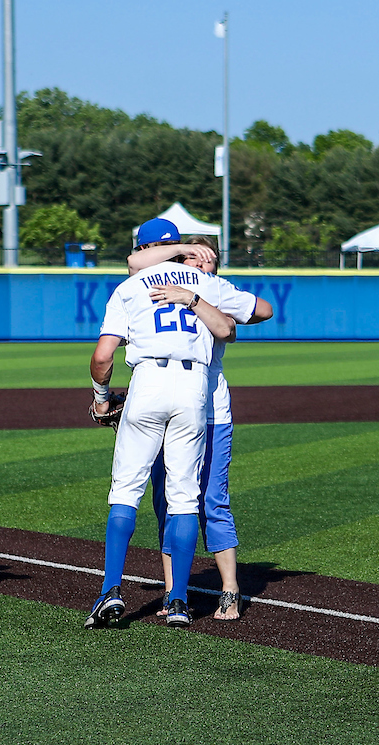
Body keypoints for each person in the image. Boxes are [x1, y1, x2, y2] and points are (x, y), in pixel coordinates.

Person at [85, 218, 259, 629]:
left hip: (148, 382)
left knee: (126, 489)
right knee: (184, 496)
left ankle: (111, 589)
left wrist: (100, 399)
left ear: (141, 248)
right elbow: (245, 318)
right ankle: (179, 601)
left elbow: (103, 356)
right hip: (194, 390)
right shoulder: (204, 281)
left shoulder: (128, 287)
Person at [128, 235, 273, 621]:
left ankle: (229, 589)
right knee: (167, 504)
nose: (196, 266)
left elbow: (262, 311)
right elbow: (134, 264)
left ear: (215, 267)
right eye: (190, 259)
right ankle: (173, 592)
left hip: (210, 412)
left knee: (211, 501)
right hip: (167, 409)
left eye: (205, 260)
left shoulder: (213, 291)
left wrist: (197, 297)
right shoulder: (157, 285)